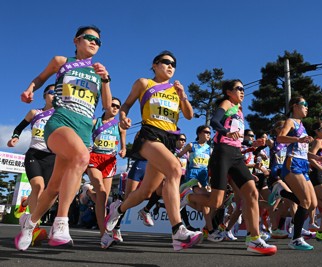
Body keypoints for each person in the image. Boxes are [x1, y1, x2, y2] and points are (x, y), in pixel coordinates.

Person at [15, 25, 112, 251]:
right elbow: (40, 78)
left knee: (54, 188)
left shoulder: (99, 72)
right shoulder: (62, 61)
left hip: (84, 127)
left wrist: (106, 79)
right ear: (76, 41)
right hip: (61, 120)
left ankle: (29, 224)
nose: (93, 43)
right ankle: (61, 222)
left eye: (98, 41)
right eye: (89, 38)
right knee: (81, 157)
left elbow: (107, 107)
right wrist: (30, 89)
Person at [104, 51, 203, 251]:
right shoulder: (144, 83)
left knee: (145, 192)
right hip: (149, 133)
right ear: (155, 64)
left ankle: (118, 209)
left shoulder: (176, 90)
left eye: (174, 64)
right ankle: (177, 230)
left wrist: (183, 96)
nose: (170, 66)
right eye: (166, 62)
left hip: (168, 139)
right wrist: (123, 117)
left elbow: (190, 115)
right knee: (175, 169)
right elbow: (127, 104)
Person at [180, 79, 277, 255]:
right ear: (228, 92)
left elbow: (236, 139)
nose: (242, 92)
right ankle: (188, 196)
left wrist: (252, 144)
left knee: (252, 193)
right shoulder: (227, 103)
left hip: (236, 155)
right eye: (239, 88)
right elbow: (215, 123)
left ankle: (254, 239)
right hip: (222, 154)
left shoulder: (239, 111)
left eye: (243, 88)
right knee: (216, 202)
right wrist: (225, 132)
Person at [270, 96, 321, 250]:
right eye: (304, 104)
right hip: (292, 164)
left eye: (307, 104)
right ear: (294, 106)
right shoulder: (290, 121)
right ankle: (296, 238)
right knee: (304, 201)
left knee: (313, 204)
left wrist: (316, 157)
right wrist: (298, 139)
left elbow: (302, 148)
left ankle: (282, 192)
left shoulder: (302, 125)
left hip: (303, 165)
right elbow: (280, 138)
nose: (307, 107)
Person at [8, 84, 56, 246]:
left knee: (47, 193)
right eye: (51, 92)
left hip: (52, 157)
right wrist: (15, 137)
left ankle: (27, 206)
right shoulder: (35, 113)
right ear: (44, 96)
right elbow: (19, 127)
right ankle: (34, 227)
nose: (54, 95)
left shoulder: (62, 116)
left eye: (58, 92)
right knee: (38, 187)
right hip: (34, 154)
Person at [84, 96, 126, 248]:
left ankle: (88, 192)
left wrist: (123, 149)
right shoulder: (96, 122)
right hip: (94, 158)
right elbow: (84, 133)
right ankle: (104, 236)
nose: (115, 108)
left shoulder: (119, 125)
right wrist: (86, 145)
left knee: (103, 198)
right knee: (101, 192)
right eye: (113, 105)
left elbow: (123, 140)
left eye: (118, 106)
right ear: (105, 106)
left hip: (110, 160)